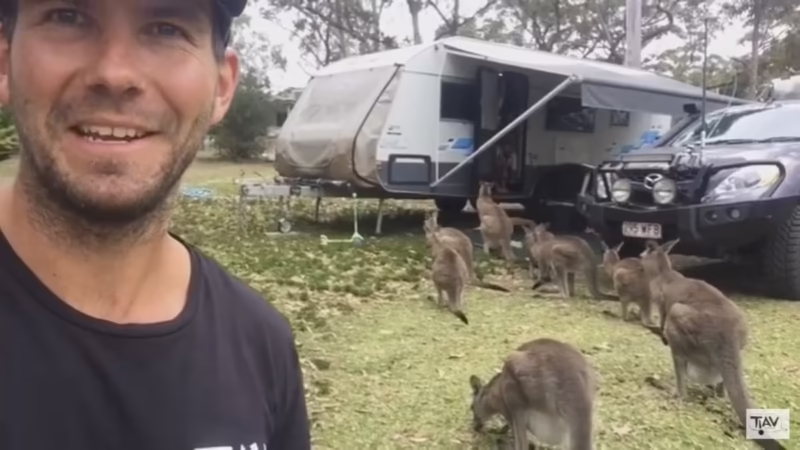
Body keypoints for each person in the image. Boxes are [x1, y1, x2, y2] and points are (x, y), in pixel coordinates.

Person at [0, 0, 311, 449]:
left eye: (166, 29)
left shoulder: (260, 345)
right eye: (68, 17)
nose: (115, 73)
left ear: (222, 86)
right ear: (5, 59)